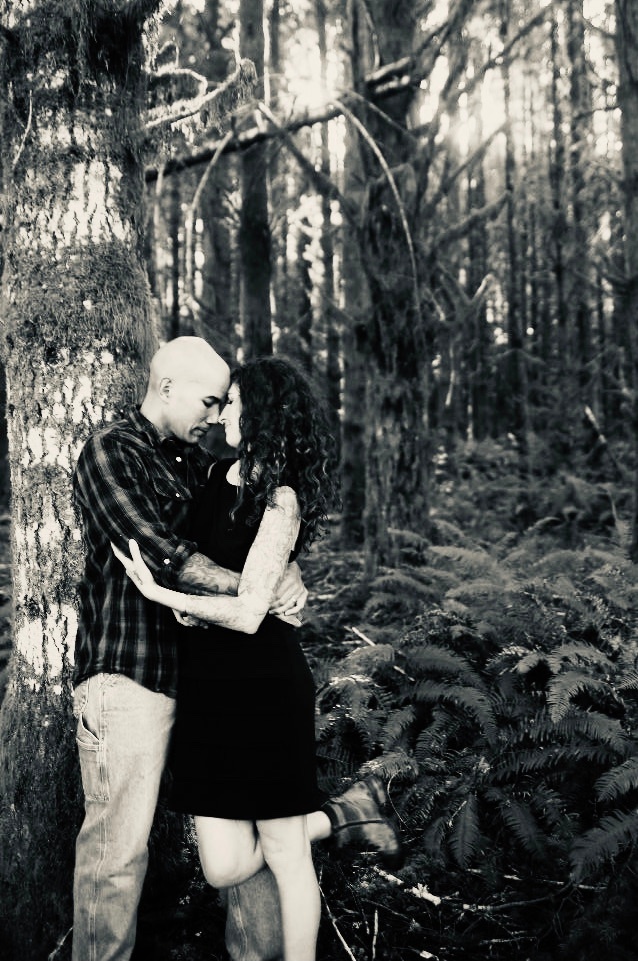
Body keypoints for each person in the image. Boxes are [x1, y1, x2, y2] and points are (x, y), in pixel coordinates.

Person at [72, 338, 399, 961]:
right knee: (130, 853)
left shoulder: (207, 467)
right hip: (134, 670)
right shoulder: (114, 450)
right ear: (168, 387)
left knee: (268, 844)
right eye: (210, 401)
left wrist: (278, 573)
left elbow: (253, 547)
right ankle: (341, 817)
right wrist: (260, 588)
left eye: (228, 403)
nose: (217, 414)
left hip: (225, 679)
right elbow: (164, 554)